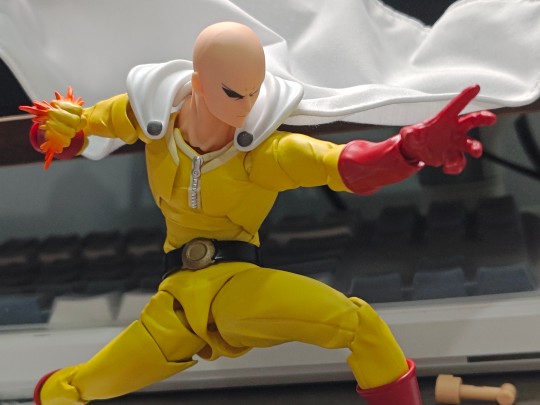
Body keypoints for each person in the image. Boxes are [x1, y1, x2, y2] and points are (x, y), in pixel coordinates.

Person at [24, 22, 496, 405]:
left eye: (253, 93)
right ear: (198, 84)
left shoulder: (263, 153)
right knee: (74, 389)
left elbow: (342, 166)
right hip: (174, 305)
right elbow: (77, 129)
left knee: (360, 325)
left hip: (236, 287)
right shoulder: (153, 116)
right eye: (234, 93)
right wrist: (56, 128)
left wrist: (407, 150)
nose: (247, 107)